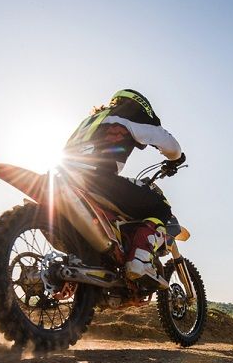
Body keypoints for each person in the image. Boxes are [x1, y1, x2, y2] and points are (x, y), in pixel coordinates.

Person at [61, 89, 186, 287]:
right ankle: (140, 258)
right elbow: (172, 147)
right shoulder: (130, 113)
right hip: (97, 179)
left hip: (65, 178)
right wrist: (176, 159)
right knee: (160, 207)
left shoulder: (90, 120)